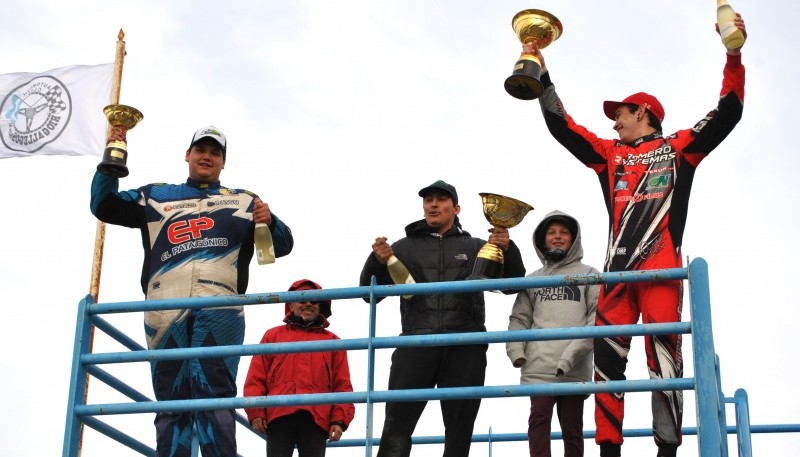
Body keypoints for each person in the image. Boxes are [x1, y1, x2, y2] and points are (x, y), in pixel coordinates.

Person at [521, 14, 747, 457]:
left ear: (641, 112)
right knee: (606, 365)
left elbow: (729, 112)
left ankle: (667, 450)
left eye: (619, 114)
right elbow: (562, 127)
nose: (613, 123)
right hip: (616, 274)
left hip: (661, 269)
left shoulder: (680, 148)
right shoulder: (610, 155)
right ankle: (609, 450)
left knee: (664, 359)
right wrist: (541, 75)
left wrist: (733, 55)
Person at [90, 125, 294, 457]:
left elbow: (281, 247)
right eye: (201, 150)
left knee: (216, 400)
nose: (207, 157)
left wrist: (270, 221)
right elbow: (104, 205)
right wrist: (113, 157)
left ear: (223, 162)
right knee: (171, 403)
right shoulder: (156, 195)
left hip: (220, 308)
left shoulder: (244, 200)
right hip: (163, 307)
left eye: (215, 153)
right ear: (188, 155)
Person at [359, 179, 526, 457]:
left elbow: (512, 285)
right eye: (428, 200)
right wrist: (377, 260)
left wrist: (508, 249)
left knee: (459, 429)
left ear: (456, 208)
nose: (433, 204)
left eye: (440, 199)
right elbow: (368, 292)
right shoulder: (402, 247)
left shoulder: (476, 246)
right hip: (415, 344)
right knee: (396, 426)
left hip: (465, 346)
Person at [506, 211, 599, 457]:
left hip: (574, 367)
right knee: (538, 421)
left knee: (572, 429)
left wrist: (570, 356)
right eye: (551, 233)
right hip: (537, 366)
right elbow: (519, 319)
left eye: (564, 233)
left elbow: (596, 320)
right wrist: (516, 352)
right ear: (542, 239)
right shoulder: (533, 279)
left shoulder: (589, 274)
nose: (557, 237)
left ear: (574, 238)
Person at [243, 279, 355, 457]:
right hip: (278, 412)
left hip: (317, 416)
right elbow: (256, 377)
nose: (308, 304)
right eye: (302, 300)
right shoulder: (272, 335)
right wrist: (256, 411)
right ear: (291, 305)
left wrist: (339, 420)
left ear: (321, 306)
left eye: (314, 301)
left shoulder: (333, 342)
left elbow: (343, 384)